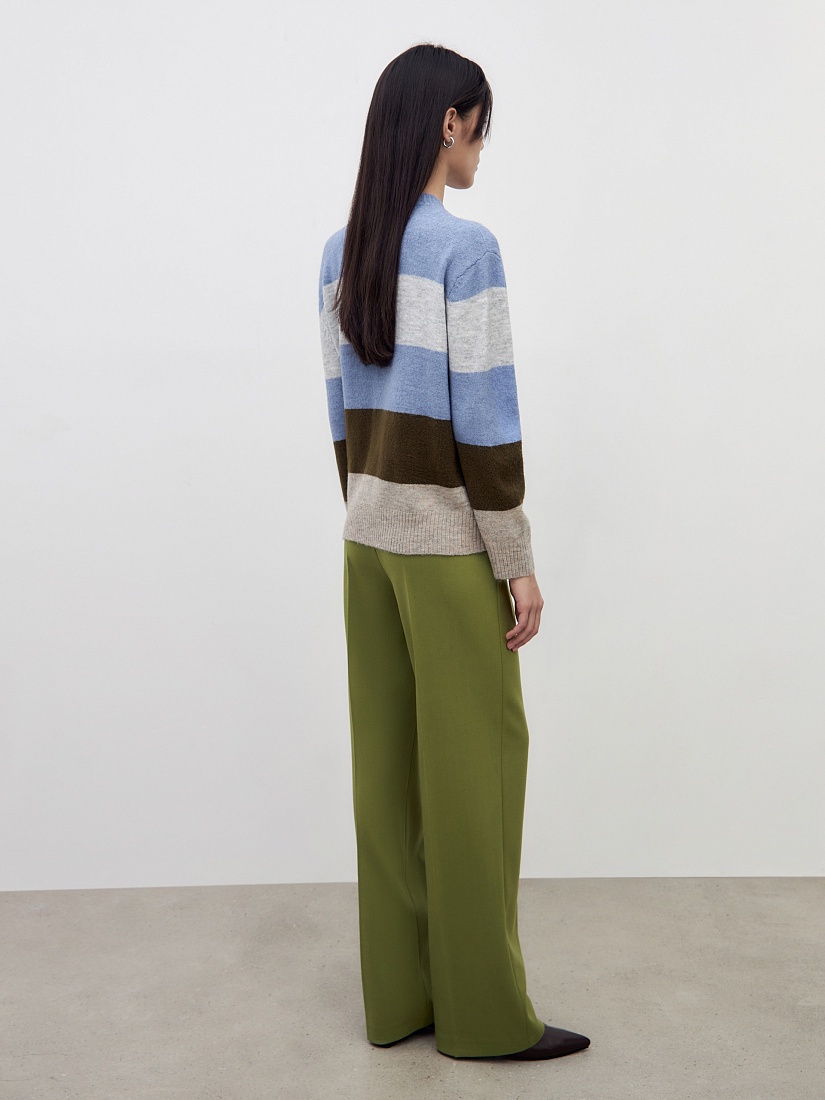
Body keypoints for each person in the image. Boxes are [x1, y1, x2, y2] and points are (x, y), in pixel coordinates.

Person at [317, 42, 591, 1062]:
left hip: (367, 543)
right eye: (480, 125)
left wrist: (369, 510)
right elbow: (485, 421)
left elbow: (340, 414)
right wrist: (514, 559)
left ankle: (399, 1001)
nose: (482, 145)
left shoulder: (338, 250)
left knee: (386, 776)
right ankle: (482, 1016)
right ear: (448, 123)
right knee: (477, 768)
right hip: (443, 548)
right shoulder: (464, 250)